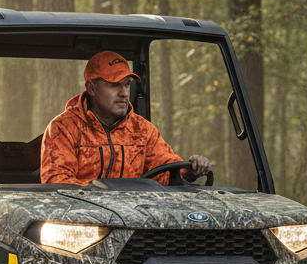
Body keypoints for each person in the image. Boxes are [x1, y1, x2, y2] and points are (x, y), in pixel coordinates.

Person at [41, 51, 213, 185]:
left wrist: (190, 170)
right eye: (114, 85)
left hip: (136, 218)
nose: (123, 93)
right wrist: (108, 192)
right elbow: (57, 183)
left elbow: (166, 172)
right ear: (91, 88)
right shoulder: (63, 128)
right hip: (84, 221)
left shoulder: (143, 130)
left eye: (127, 84)